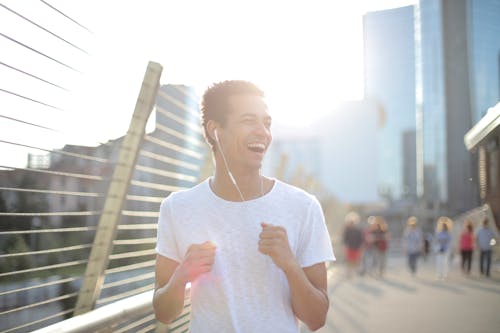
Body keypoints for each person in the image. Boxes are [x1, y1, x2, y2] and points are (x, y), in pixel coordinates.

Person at [153, 80, 335, 332]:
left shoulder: (303, 206)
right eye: (249, 120)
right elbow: (163, 312)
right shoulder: (177, 208)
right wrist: (182, 275)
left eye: (267, 123)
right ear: (215, 130)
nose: (263, 132)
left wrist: (290, 266)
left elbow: (317, 319)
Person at [342, 211, 364, 278]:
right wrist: (344, 247)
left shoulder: (358, 230)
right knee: (349, 261)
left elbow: (361, 240)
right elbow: (344, 240)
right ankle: (349, 273)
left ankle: (355, 272)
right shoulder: (347, 230)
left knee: (356, 261)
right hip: (350, 248)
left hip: (356, 248)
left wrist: (361, 248)